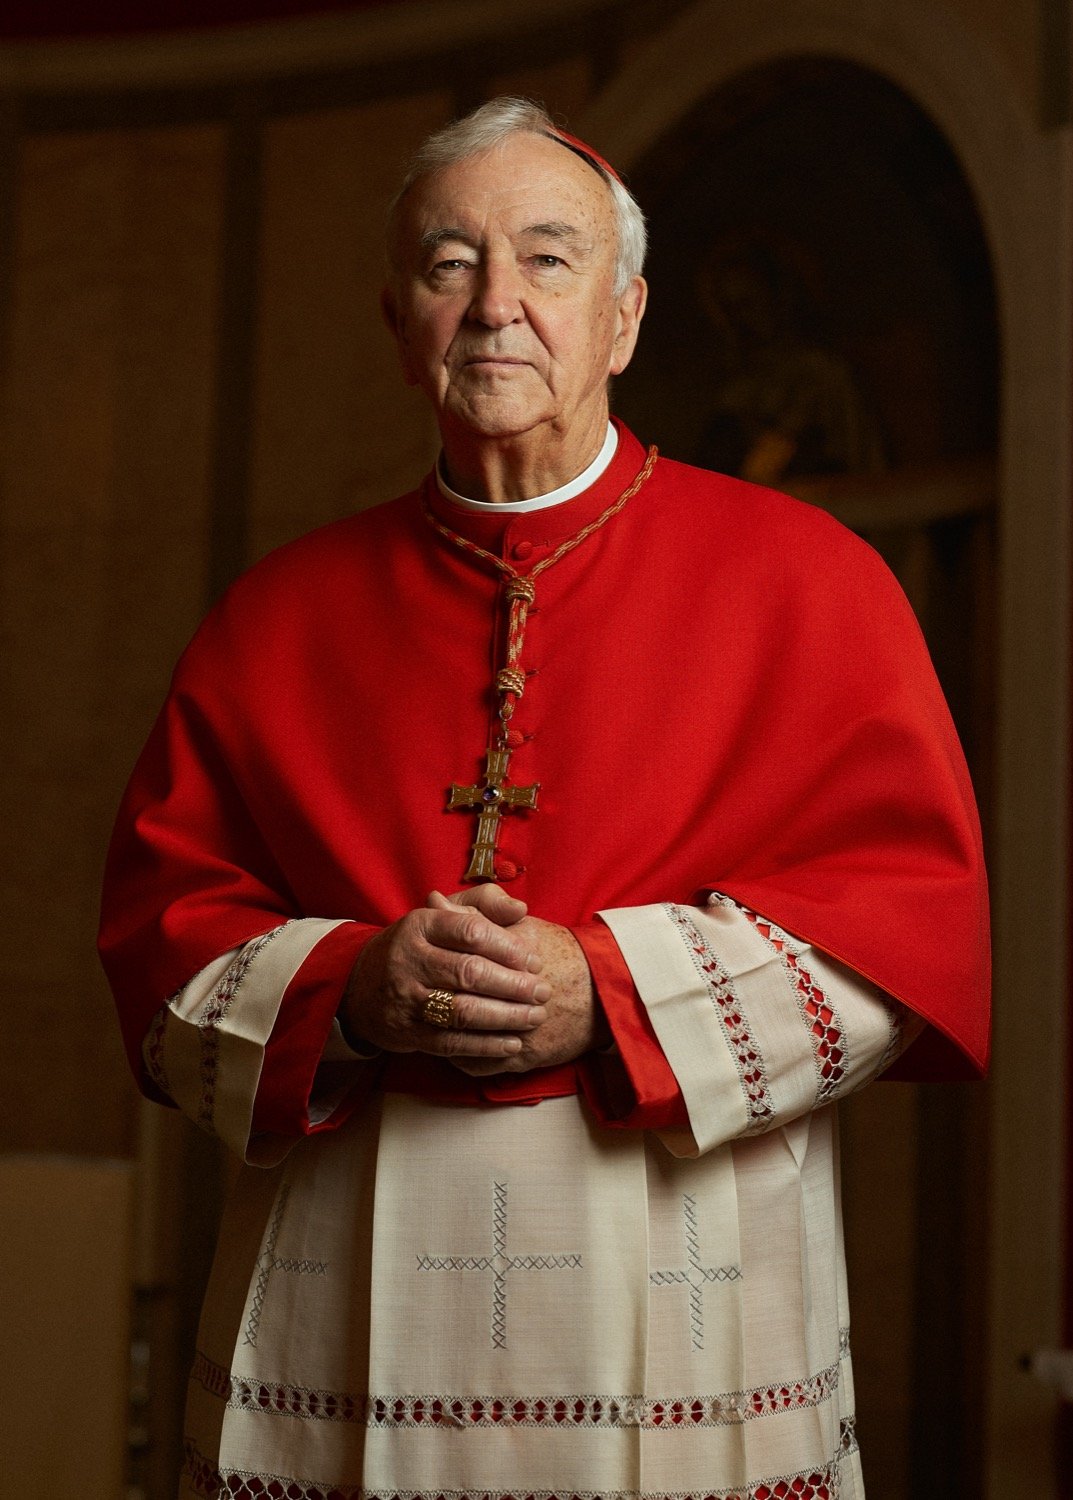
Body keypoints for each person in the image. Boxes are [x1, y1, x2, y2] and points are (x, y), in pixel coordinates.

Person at [99, 97, 989, 1500]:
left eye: (547, 260)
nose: (495, 305)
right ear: (398, 318)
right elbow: (158, 953)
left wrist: (612, 990)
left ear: (624, 317)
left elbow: (905, 934)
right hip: (346, 1324)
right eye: (450, 264)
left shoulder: (811, 582)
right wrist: (349, 989)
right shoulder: (271, 620)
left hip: (686, 1298)